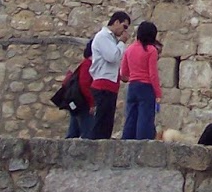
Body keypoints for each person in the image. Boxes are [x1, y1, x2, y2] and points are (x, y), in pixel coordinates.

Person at [88, 10, 130, 139]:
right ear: (116, 22)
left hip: (110, 84)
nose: (124, 31)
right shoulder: (103, 37)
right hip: (103, 84)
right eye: (124, 26)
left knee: (107, 123)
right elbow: (112, 57)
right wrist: (122, 43)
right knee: (101, 121)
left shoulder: (110, 38)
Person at [120, 20, 162, 140]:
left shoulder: (129, 49)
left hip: (132, 86)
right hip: (146, 86)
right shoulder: (151, 50)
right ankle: (143, 144)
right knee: (145, 118)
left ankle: (126, 142)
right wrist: (158, 93)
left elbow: (124, 73)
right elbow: (153, 74)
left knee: (131, 117)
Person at [65, 40, 95, 139]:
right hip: (83, 102)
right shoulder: (88, 64)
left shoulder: (84, 63)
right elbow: (84, 84)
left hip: (78, 101)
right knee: (88, 133)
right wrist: (91, 103)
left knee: (73, 131)